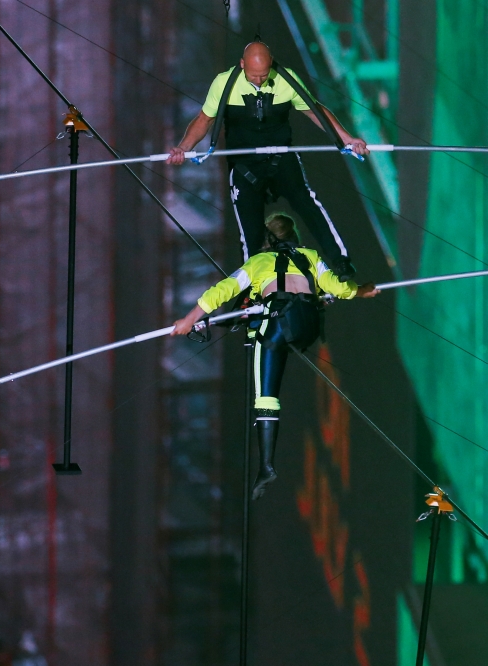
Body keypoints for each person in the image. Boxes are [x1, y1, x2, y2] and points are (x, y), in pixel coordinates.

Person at [172, 213, 380, 499]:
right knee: (264, 326)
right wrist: (361, 292)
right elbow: (339, 289)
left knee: (266, 395)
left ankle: (267, 465)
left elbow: (222, 291)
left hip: (278, 324)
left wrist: (188, 319)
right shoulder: (310, 256)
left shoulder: (258, 262)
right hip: (306, 326)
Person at [167, 41, 367, 280]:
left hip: (281, 157)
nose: (260, 80)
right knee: (250, 233)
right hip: (245, 164)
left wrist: (347, 139)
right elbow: (203, 120)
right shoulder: (224, 83)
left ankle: (341, 263)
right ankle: (251, 288)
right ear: (242, 65)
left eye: (264, 75)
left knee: (308, 204)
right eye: (254, 75)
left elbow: (315, 111)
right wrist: (183, 148)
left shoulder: (286, 79)